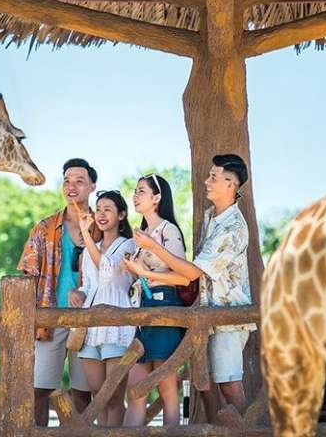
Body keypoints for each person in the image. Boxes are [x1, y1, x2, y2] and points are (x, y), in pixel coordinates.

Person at [131, 154, 255, 415]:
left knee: (229, 383)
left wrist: (153, 247)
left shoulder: (232, 227)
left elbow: (192, 272)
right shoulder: (212, 217)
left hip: (228, 316)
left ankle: (248, 432)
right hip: (206, 316)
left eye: (213, 177)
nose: (207, 181)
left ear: (231, 184)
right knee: (205, 382)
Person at [17, 158, 97, 426]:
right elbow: (26, 274)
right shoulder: (45, 227)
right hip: (49, 320)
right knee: (39, 390)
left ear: (92, 187)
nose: (71, 186)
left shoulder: (102, 225)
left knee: (83, 394)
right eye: (67, 180)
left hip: (89, 321)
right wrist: (29, 320)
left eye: (79, 181)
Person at [120, 174, 188, 427]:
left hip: (165, 308)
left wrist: (143, 272)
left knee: (168, 390)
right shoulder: (142, 233)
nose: (135, 196)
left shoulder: (168, 230)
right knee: (135, 388)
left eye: (141, 191)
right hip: (142, 311)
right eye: (135, 191)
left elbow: (182, 274)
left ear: (157, 198)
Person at [75, 190, 138, 426]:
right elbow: (89, 284)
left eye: (107, 209)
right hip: (90, 327)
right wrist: (78, 292)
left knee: (112, 397)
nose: (101, 214)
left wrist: (85, 234)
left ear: (121, 215)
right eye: (98, 209)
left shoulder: (128, 245)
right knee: (97, 398)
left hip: (117, 323)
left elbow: (108, 272)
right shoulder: (91, 247)